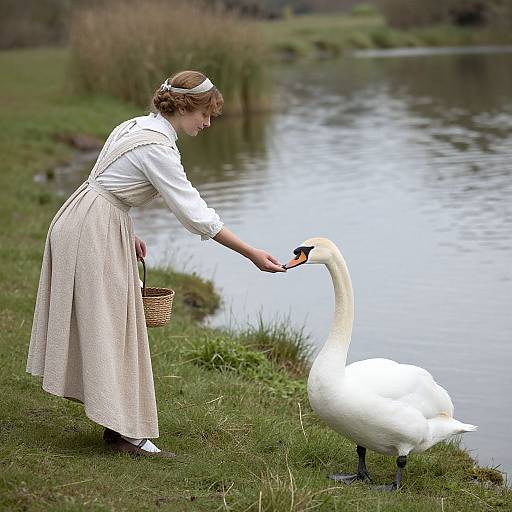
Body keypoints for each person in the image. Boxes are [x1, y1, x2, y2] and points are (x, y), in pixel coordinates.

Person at [26, 70, 286, 457]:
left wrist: (124, 228)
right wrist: (251, 253)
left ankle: (118, 427)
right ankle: (128, 435)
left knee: (115, 323)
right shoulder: (158, 149)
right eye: (205, 114)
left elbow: (107, 180)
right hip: (91, 228)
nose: (208, 122)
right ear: (183, 107)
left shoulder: (136, 126)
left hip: (86, 218)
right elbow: (196, 214)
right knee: (113, 325)